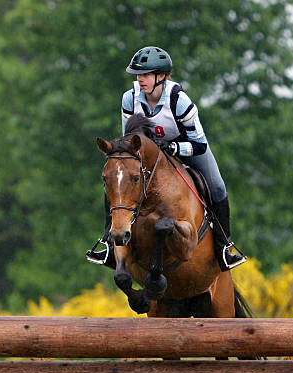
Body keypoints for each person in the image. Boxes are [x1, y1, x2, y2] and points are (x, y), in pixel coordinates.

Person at [86, 46, 246, 271]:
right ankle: (109, 245)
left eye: (145, 75)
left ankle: (224, 246)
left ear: (160, 76)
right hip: (148, 156)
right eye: (138, 75)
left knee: (217, 186)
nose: (140, 80)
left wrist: (172, 146)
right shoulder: (129, 99)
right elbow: (127, 142)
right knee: (114, 186)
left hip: (187, 148)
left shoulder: (179, 101)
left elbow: (199, 145)